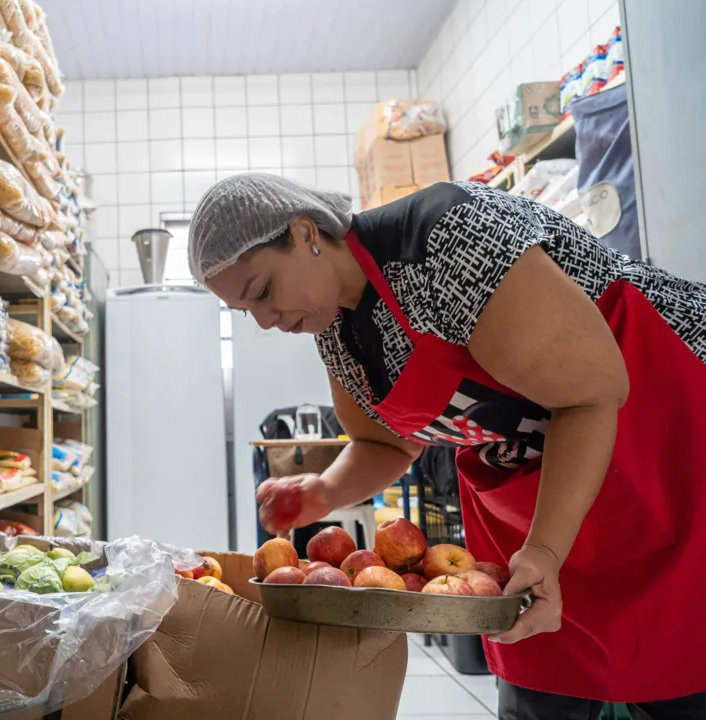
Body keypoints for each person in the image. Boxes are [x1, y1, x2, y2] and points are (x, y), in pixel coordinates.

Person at [187, 174, 706, 720]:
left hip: (661, 434)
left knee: (679, 664)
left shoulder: (444, 242)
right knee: (544, 679)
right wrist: (324, 491)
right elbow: (385, 442)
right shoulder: (337, 333)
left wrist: (548, 550)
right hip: (541, 491)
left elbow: (590, 395)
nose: (266, 322)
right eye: (248, 313)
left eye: (263, 292)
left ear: (304, 232)